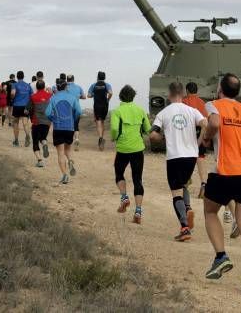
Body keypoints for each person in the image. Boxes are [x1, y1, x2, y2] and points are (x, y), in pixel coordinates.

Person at [200, 73, 241, 294]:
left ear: (220, 88)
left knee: (210, 212)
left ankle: (221, 257)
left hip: (225, 171)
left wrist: (208, 138)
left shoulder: (213, 104)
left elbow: (214, 122)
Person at [149, 82, 207, 242]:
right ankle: (187, 209)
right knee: (183, 184)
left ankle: (184, 227)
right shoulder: (192, 110)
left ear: (169, 95)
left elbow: (153, 135)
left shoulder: (163, 113)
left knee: (176, 192)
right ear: (183, 94)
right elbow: (205, 124)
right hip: (191, 155)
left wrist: (162, 137)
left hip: (174, 156)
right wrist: (199, 141)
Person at [110, 85, 151, 225]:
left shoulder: (117, 111)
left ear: (121, 96)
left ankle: (124, 197)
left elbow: (115, 128)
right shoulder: (141, 111)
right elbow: (148, 129)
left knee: (119, 174)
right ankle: (138, 211)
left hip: (122, 149)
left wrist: (114, 137)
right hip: (138, 149)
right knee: (137, 179)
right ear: (133, 96)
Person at [46, 78, 81, 184]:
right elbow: (78, 111)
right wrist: (73, 119)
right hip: (69, 128)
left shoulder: (53, 98)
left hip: (58, 127)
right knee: (68, 150)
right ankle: (70, 161)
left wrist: (54, 119)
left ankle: (65, 175)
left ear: (57, 87)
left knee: (60, 153)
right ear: (66, 87)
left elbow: (47, 113)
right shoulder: (72, 97)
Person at [183, 81, 210, 199]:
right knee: (200, 158)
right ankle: (204, 184)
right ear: (197, 91)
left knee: (186, 157)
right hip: (201, 132)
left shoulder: (184, 102)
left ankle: (186, 180)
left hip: (187, 133)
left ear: (187, 91)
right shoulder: (202, 103)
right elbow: (206, 121)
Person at [30, 80, 53, 167]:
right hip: (47, 121)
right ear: (44, 87)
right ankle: (45, 144)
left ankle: (40, 160)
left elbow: (29, 109)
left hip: (36, 122)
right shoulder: (49, 96)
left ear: (36, 87)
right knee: (43, 137)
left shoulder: (32, 96)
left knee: (35, 142)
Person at [88, 71, 113, 151]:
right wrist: (108, 100)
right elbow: (111, 93)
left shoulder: (93, 85)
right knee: (102, 121)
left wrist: (94, 94)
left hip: (97, 105)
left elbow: (88, 95)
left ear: (97, 77)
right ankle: (102, 137)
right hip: (105, 105)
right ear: (104, 77)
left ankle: (100, 138)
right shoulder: (107, 85)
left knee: (98, 121)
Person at [11, 71, 33, 148]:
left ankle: (16, 141)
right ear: (23, 76)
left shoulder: (15, 84)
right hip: (25, 106)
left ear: (17, 77)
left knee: (16, 123)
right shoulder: (28, 85)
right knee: (25, 123)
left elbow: (13, 93)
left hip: (17, 105)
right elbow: (32, 96)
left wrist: (12, 98)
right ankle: (27, 135)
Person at [66, 75, 86, 150]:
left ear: (67, 80)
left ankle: (69, 141)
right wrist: (78, 96)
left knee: (68, 125)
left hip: (67, 108)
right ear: (73, 79)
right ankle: (76, 139)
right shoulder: (78, 87)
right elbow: (84, 97)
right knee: (76, 125)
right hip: (77, 108)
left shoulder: (65, 87)